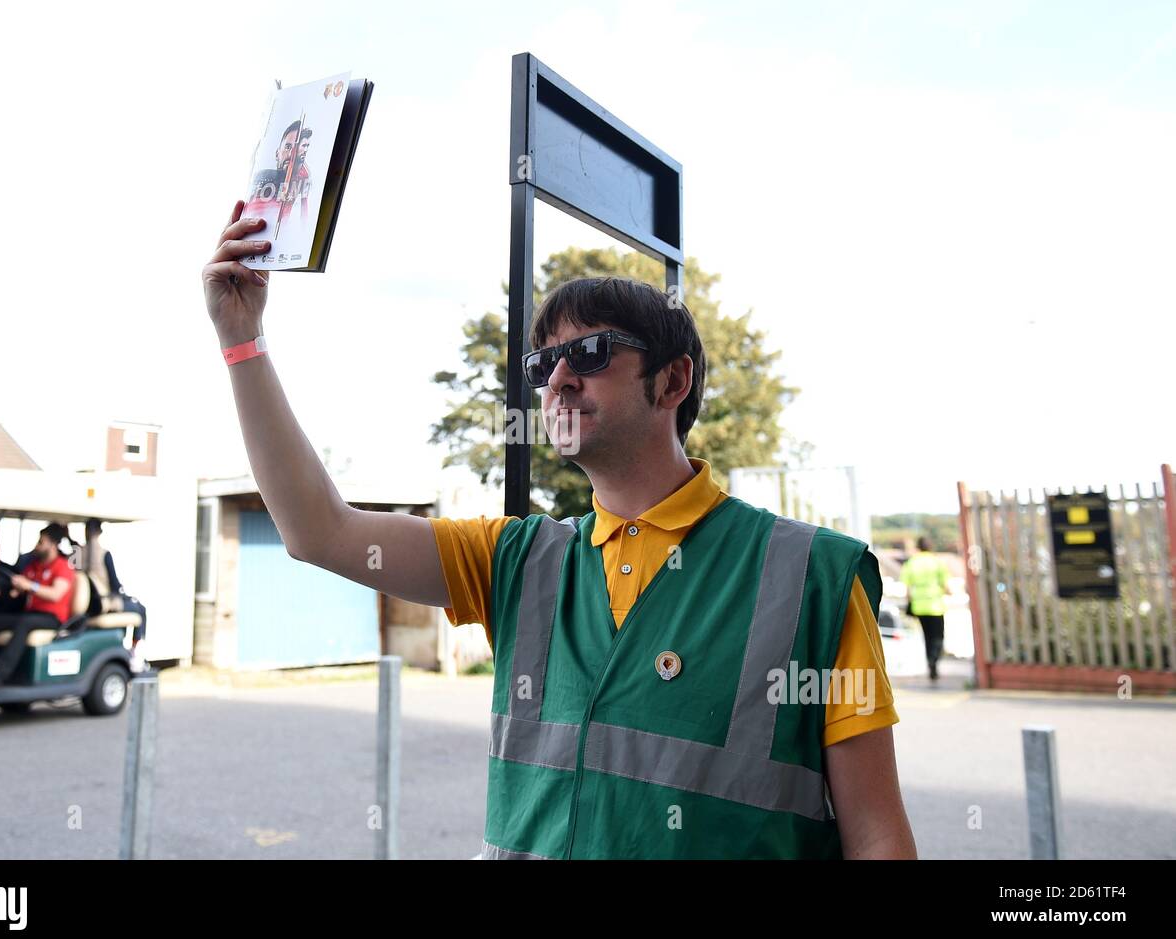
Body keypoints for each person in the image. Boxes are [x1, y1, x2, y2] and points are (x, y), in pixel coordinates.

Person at [201, 201, 917, 859]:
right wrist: (242, 339)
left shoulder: (812, 577)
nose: (559, 379)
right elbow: (316, 530)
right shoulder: (516, 561)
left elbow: (878, 835)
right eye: (545, 364)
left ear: (672, 383)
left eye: (593, 353)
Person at [0, 524, 75, 685]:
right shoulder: (35, 566)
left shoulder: (62, 567)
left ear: (53, 545)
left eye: (41, 542)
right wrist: (15, 589)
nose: (37, 546)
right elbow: (20, 585)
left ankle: (0, 673)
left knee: (24, 623)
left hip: (52, 618)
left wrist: (30, 586)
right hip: (31, 613)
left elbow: (56, 594)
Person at [81, 518, 147, 654]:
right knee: (139, 608)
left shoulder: (79, 552)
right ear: (99, 532)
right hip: (103, 601)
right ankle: (135, 650)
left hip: (86, 601)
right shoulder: (104, 554)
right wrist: (122, 592)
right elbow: (114, 584)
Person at [900, 536, 951, 681]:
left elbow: (907, 588)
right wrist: (949, 592)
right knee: (938, 637)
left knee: (927, 636)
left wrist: (910, 601)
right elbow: (945, 585)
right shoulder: (936, 562)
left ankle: (930, 662)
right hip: (935, 605)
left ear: (918, 547)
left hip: (919, 606)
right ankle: (934, 661)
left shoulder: (911, 563)